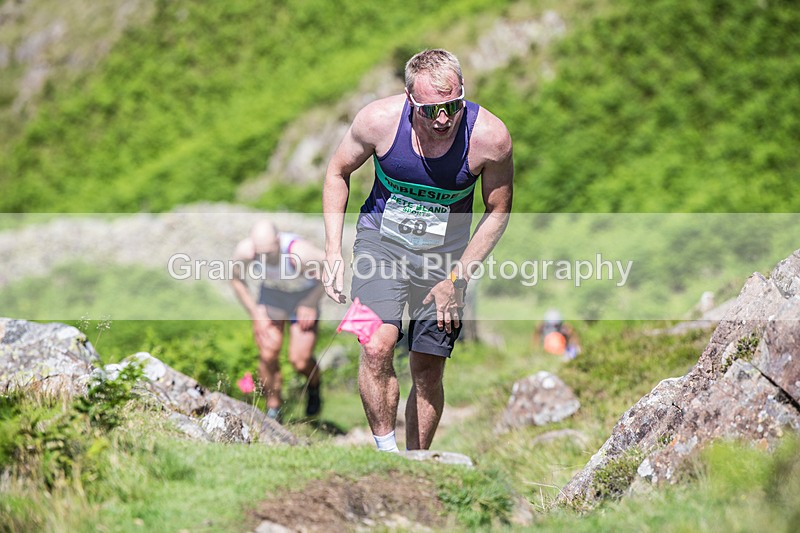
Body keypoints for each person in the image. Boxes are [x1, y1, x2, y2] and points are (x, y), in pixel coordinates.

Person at [322, 49, 513, 451]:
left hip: (445, 261)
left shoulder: (490, 138)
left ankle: (416, 463)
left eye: (453, 106)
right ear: (410, 99)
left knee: (427, 368)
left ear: (463, 91)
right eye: (430, 111)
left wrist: (457, 279)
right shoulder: (377, 121)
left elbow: (498, 211)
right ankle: (387, 456)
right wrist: (332, 250)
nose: (443, 119)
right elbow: (337, 171)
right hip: (379, 245)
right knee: (375, 344)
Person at [231, 220, 325, 420]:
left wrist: (310, 302)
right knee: (268, 353)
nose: (264, 258)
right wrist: (255, 312)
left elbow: (332, 268)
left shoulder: (298, 253)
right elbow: (235, 279)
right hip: (273, 295)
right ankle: (274, 409)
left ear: (277, 241)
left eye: (269, 253)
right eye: (260, 254)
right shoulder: (246, 251)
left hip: (303, 295)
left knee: (300, 360)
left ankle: (314, 385)